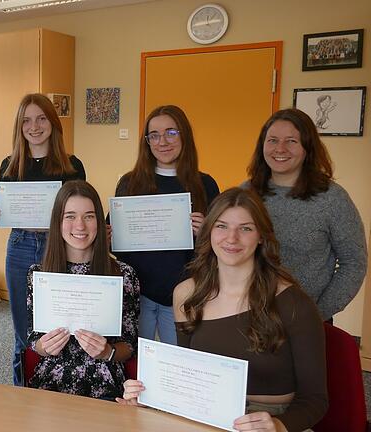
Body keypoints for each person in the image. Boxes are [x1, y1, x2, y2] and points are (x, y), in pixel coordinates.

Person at [118, 187, 328, 432]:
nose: (231, 238)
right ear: (209, 232)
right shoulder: (187, 294)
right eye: (222, 226)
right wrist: (149, 399)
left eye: (245, 228)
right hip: (205, 417)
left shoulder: (293, 302)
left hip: (270, 421)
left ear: (261, 235)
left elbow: (315, 400)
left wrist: (279, 425)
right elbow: (189, 379)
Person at [0, 93, 86, 385]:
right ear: (19, 126)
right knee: (22, 330)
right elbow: (3, 212)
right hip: (21, 246)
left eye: (41, 118)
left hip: (59, 247)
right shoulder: (10, 165)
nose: (34, 126)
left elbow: (79, 211)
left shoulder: (72, 166)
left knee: (59, 324)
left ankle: (58, 388)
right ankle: (21, 394)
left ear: (53, 123)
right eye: (26, 120)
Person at [247, 108, 367, 321]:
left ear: (307, 148)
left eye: (291, 141)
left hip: (306, 320)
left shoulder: (332, 198)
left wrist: (315, 314)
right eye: (272, 140)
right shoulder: (246, 194)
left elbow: (354, 262)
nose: (280, 148)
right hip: (248, 316)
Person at [114, 105, 219, 345]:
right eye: (155, 135)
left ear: (185, 136)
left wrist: (207, 232)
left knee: (177, 364)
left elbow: (220, 245)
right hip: (138, 294)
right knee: (137, 366)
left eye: (172, 133)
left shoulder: (205, 185)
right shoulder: (130, 183)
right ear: (147, 142)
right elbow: (116, 244)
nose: (163, 141)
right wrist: (110, 233)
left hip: (185, 295)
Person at [26, 180, 139, 400]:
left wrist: (108, 352)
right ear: (57, 222)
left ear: (99, 221)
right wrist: (45, 347)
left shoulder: (123, 274)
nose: (80, 226)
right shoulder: (39, 274)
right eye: (70, 216)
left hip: (105, 381)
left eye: (89, 216)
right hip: (52, 380)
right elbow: (33, 340)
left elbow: (130, 344)